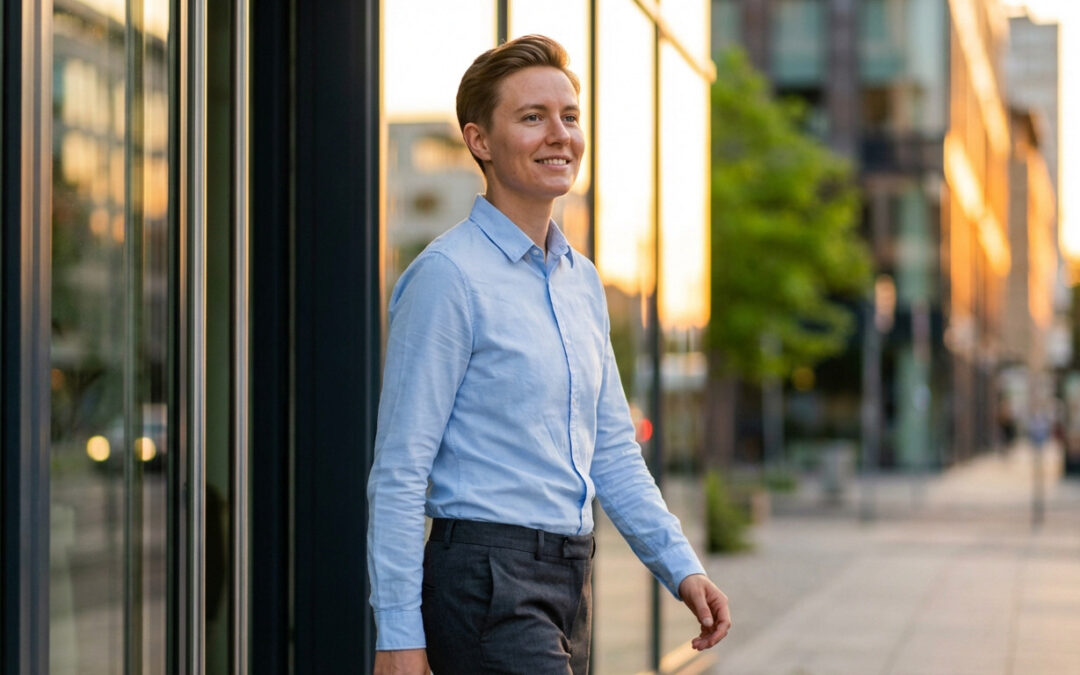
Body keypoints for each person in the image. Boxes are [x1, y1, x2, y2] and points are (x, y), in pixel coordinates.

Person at [367, 34, 731, 675]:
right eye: (532, 117)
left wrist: (681, 567)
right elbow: (399, 471)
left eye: (569, 116)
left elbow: (612, 451)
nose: (559, 134)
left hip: (570, 574)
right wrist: (398, 634)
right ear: (480, 140)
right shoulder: (447, 277)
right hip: (484, 580)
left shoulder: (581, 281)